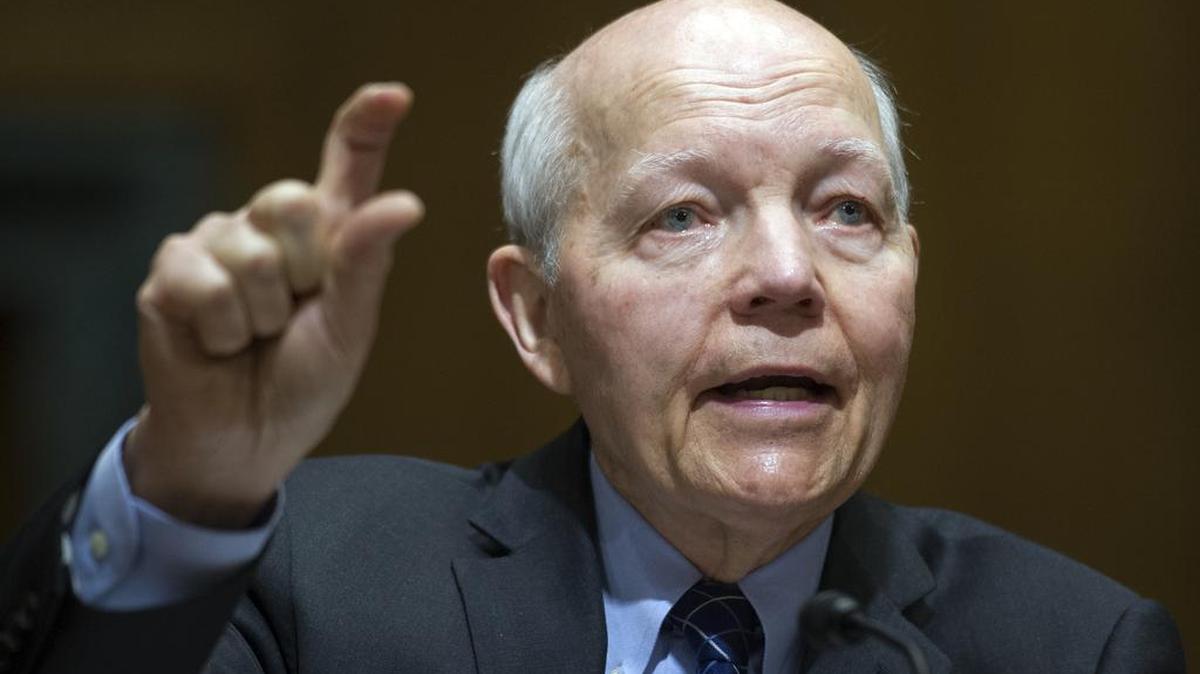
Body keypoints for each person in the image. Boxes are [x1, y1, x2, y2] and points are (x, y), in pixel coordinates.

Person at [0, 0, 1186, 672]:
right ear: (535, 314)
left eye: (845, 211)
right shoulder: (317, 580)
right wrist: (194, 484)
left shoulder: (1073, 646)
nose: (787, 274)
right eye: (683, 215)